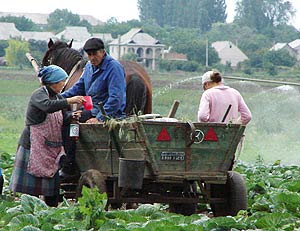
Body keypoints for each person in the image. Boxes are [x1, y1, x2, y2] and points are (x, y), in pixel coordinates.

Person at [9, 65, 84, 207]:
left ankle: (51, 210)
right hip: (33, 146)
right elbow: (48, 106)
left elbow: (61, 117)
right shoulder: (39, 95)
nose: (63, 84)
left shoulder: (57, 97)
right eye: (62, 81)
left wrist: (71, 116)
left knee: (52, 191)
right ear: (53, 82)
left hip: (50, 148)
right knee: (32, 192)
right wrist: (70, 100)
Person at [60, 37, 126, 123]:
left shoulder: (114, 68)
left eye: (95, 54)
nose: (92, 58)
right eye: (89, 54)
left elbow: (116, 99)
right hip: (93, 110)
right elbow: (79, 87)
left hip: (111, 114)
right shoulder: (89, 66)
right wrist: (59, 98)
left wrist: (99, 118)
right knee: (66, 118)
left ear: (102, 52)